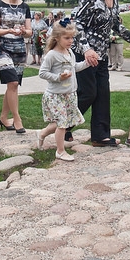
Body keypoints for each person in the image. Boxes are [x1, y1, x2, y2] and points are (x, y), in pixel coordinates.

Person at [69, 0, 130, 146]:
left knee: (103, 93)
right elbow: (76, 23)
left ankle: (100, 136)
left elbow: (115, 24)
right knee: (88, 93)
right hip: (84, 52)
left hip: (102, 53)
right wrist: (86, 49)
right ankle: (63, 125)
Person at [37, 19, 89, 161]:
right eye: (67, 38)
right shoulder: (52, 55)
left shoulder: (69, 52)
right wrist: (59, 77)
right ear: (57, 38)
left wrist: (86, 63)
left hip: (70, 94)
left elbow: (74, 67)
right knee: (62, 124)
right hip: (56, 95)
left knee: (61, 123)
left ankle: (42, 134)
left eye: (72, 37)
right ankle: (60, 151)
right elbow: (42, 73)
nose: (71, 41)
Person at [0, 0, 32, 134]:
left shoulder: (25, 7)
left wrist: (24, 31)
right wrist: (7, 30)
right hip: (2, 47)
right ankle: (17, 119)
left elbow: (29, 32)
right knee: (13, 83)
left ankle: (3, 117)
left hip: (19, 48)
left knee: (12, 85)